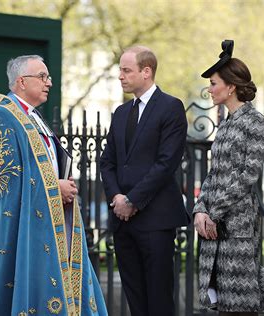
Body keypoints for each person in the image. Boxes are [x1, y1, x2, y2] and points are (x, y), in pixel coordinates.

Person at [0, 55, 107, 315]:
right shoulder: (3, 116)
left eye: (48, 77)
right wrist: (54, 188)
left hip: (45, 220)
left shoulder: (33, 118)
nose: (49, 82)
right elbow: (4, 181)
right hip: (20, 225)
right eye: (43, 76)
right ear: (22, 81)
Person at [193, 40, 264, 316]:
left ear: (231, 86)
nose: (209, 90)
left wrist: (215, 211)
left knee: (241, 300)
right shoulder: (224, 126)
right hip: (213, 224)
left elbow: (249, 174)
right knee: (219, 300)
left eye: (213, 83)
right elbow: (214, 174)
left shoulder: (254, 121)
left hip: (237, 223)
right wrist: (200, 210)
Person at [100, 45, 189, 316]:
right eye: (120, 70)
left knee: (159, 299)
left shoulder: (171, 107)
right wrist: (117, 198)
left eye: (126, 70)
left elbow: (166, 164)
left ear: (146, 72)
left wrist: (133, 200)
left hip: (156, 220)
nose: (120, 76)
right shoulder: (121, 112)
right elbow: (108, 162)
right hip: (122, 221)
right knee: (135, 298)